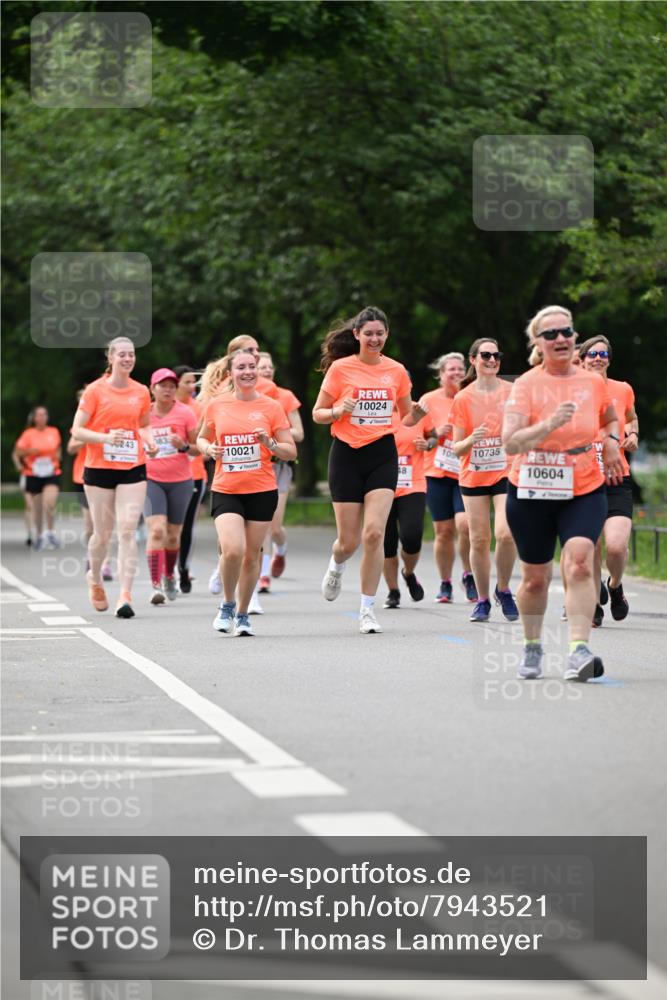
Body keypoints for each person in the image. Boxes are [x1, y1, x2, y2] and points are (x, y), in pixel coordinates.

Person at [502, 305, 624, 682]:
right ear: (538, 343)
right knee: (535, 578)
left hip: (583, 484)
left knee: (581, 562)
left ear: (574, 337)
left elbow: (611, 418)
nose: (560, 339)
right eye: (551, 334)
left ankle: (578, 650)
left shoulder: (592, 382)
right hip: (532, 487)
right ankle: (532, 646)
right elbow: (510, 442)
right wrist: (550, 424)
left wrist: (612, 442)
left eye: (566, 332)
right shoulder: (526, 385)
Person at [312, 306, 427, 634]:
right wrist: (337, 411)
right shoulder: (341, 369)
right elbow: (318, 413)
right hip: (346, 455)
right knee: (348, 542)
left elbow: (405, 417)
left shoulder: (396, 371)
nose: (374, 339)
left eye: (380, 333)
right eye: (368, 334)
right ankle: (337, 564)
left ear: (386, 335)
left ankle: (367, 610)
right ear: (357, 335)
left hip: (382, 454)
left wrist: (417, 415)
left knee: (374, 533)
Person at [197, 348, 296, 636]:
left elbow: (290, 451)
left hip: (261, 489)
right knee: (233, 549)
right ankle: (227, 604)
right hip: (226, 488)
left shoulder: (271, 407)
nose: (248, 372)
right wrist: (209, 449)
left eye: (252, 366)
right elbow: (202, 438)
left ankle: (242, 614)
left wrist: (270, 444)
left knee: (252, 555)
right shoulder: (217, 405)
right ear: (231, 373)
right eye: (241, 367)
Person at [71, 337, 158, 618]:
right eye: (122, 354)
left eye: (131, 354)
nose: (128, 358)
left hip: (133, 466)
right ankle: (94, 577)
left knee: (128, 530)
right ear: (110, 358)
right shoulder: (95, 391)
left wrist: (150, 441)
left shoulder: (141, 391)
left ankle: (125, 596)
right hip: (99, 468)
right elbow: (77, 430)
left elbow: (144, 425)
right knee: (102, 534)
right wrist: (105, 438)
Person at [451, 339, 518, 623]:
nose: (492, 360)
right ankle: (482, 600)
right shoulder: (463, 398)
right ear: (473, 360)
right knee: (479, 539)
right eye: (486, 355)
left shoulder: (512, 392)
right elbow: (456, 448)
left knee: (506, 534)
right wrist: (471, 439)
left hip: (506, 471)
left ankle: (503, 589)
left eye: (496, 355)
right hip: (474, 474)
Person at [580, 335, 638, 624]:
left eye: (603, 354)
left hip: (616, 478)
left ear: (609, 360)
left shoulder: (623, 389)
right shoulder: (571, 392)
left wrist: (633, 434)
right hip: (583, 480)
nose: (597, 358)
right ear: (582, 360)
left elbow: (632, 417)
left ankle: (614, 586)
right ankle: (593, 604)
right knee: (590, 546)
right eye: (592, 354)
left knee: (615, 546)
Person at [420, 354, 476, 603]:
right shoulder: (428, 401)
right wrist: (436, 434)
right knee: (443, 531)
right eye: (451, 369)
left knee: (465, 526)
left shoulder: (472, 397)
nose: (457, 373)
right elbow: (417, 435)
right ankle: (445, 583)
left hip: (465, 471)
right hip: (437, 472)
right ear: (441, 374)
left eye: (461, 369)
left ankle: (469, 574)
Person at [145, 368, 198, 605]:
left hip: (180, 481)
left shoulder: (185, 413)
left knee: (174, 536)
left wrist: (184, 446)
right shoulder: (143, 414)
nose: (167, 390)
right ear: (152, 388)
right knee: (157, 531)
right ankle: (155, 584)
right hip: (151, 479)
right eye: (162, 385)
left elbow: (199, 449)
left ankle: (169, 575)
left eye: (172, 386)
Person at [256, 351, 304, 591]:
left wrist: (275, 432)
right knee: (263, 524)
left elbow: (299, 433)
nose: (267, 370)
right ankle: (263, 575)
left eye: (269, 367)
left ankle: (281, 549)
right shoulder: (246, 398)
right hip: (256, 465)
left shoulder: (285, 397)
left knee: (275, 527)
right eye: (262, 367)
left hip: (279, 465)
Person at [381, 412, 429, 609]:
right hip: (381, 483)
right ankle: (393, 591)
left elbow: (433, 436)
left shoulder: (417, 412)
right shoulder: (376, 412)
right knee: (387, 542)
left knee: (412, 535)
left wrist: (429, 444)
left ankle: (408, 573)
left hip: (412, 484)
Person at [172, 365, 208, 593]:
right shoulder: (163, 407)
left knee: (186, 526)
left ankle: (183, 568)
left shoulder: (200, 408)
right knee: (166, 527)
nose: (192, 386)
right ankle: (167, 570)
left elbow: (205, 443)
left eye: (193, 381)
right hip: (165, 475)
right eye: (187, 381)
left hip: (194, 475)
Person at [14, 406, 62, 550]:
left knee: (50, 503)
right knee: (37, 508)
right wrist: (29, 451)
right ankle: (40, 535)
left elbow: (58, 448)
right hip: (33, 474)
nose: (41, 417)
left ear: (47, 417)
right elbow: (18, 452)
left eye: (44, 414)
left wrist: (58, 456)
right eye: (39, 415)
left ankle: (51, 532)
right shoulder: (28, 434)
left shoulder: (54, 431)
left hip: (51, 472)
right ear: (34, 418)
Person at [11, 443, 34, 546]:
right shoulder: (26, 438)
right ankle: (30, 534)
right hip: (28, 475)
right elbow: (15, 454)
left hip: (45, 477)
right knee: (29, 505)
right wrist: (18, 465)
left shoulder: (49, 437)